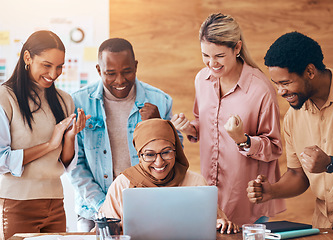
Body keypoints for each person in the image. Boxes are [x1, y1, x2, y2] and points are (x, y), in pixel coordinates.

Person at [171, 12, 285, 226]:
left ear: (237, 48)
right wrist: (189, 129)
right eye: (206, 55)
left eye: (219, 56)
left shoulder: (260, 89)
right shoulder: (202, 80)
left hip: (246, 203)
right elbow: (202, 123)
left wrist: (242, 139)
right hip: (209, 199)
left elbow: (275, 148)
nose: (211, 63)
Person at [247, 31, 333, 239]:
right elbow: (298, 175)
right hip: (323, 228)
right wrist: (272, 191)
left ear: (309, 71)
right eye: (276, 84)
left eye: (286, 83)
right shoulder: (292, 118)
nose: (280, 91)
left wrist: (331, 163)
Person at [67, 38, 181, 231]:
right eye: (110, 73)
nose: (120, 81)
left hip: (147, 206)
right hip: (94, 211)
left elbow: (175, 158)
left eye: (127, 71)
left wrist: (157, 125)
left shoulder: (160, 101)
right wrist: (105, 207)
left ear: (136, 66)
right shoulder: (78, 102)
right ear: (98, 70)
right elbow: (75, 164)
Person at [0, 30, 89, 239]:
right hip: (17, 203)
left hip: (55, 202)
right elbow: (1, 160)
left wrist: (69, 137)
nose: (54, 73)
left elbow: (65, 162)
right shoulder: (5, 98)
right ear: (28, 58)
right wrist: (50, 144)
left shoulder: (64, 100)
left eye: (59, 67)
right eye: (47, 65)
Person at [100, 118, 239, 234]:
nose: (159, 162)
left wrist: (220, 224)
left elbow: (218, 224)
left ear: (175, 150)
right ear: (139, 155)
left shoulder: (196, 182)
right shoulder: (123, 184)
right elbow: (105, 231)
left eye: (166, 152)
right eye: (149, 154)